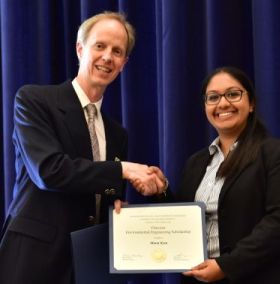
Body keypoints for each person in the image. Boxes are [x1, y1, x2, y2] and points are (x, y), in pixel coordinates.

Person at [0, 11, 166, 284]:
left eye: (117, 51)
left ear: (124, 63)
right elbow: (50, 171)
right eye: (100, 46)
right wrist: (124, 170)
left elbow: (106, 194)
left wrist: (127, 202)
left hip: (88, 266)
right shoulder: (34, 100)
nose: (107, 57)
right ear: (80, 49)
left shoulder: (117, 133)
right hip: (34, 259)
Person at [170, 66, 280, 283]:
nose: (222, 104)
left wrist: (225, 266)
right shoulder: (196, 162)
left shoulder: (279, 154)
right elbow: (183, 219)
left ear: (251, 104)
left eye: (233, 94)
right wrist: (159, 190)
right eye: (213, 97)